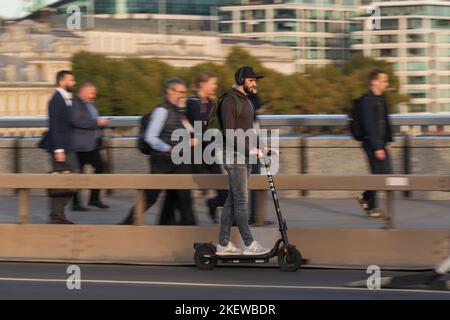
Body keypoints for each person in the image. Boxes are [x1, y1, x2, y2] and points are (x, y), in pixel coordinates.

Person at [121, 77, 196, 225]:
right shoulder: (161, 111)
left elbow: (181, 132)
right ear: (170, 92)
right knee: (151, 196)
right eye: (181, 92)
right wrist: (169, 148)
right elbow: (151, 137)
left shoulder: (177, 111)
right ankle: (126, 224)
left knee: (184, 196)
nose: (183, 95)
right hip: (162, 160)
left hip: (178, 160)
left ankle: (189, 230)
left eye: (185, 92)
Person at [216, 65, 271, 256]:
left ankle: (222, 244)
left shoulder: (247, 101)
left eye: (255, 80)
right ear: (241, 80)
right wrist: (250, 149)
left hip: (245, 156)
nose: (254, 84)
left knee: (232, 201)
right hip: (234, 157)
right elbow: (229, 133)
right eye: (251, 80)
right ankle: (249, 244)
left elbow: (251, 130)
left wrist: (263, 148)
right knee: (241, 201)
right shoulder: (230, 101)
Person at [185, 71, 228, 222]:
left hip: (211, 153)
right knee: (182, 192)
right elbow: (198, 130)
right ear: (203, 84)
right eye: (213, 83)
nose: (215, 86)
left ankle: (212, 203)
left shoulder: (210, 103)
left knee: (224, 191)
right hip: (197, 156)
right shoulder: (192, 103)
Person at [356, 69, 393, 218]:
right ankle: (371, 206)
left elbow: (386, 122)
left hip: (381, 143)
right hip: (371, 143)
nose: (387, 83)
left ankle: (366, 198)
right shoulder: (367, 100)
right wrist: (377, 147)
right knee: (379, 175)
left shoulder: (381, 98)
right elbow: (370, 125)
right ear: (374, 81)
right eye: (384, 81)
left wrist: (388, 141)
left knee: (385, 174)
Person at [70, 82, 110, 211]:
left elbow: (90, 121)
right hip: (80, 146)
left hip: (92, 145)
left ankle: (94, 199)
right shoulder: (76, 104)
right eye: (92, 92)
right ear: (84, 91)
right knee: (78, 175)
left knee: (101, 169)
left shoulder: (90, 104)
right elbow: (76, 121)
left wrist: (100, 124)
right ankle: (76, 203)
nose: (94, 95)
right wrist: (96, 122)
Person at [46, 70, 79, 224]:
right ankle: (56, 215)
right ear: (62, 81)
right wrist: (59, 150)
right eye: (71, 80)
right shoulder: (56, 100)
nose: (74, 83)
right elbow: (55, 126)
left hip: (67, 146)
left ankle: (57, 214)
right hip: (60, 148)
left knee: (67, 180)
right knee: (71, 178)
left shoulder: (65, 99)